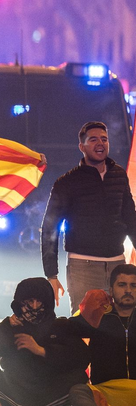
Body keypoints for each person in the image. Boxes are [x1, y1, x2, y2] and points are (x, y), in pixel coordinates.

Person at [0, 278, 89, 406]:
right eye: (30, 302)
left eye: (40, 302)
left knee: (79, 377)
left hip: (49, 395)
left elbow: (82, 357)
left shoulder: (60, 326)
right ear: (21, 303)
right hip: (16, 393)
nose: (35, 307)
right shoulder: (11, 327)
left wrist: (42, 351)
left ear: (47, 303)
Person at [41, 121, 136, 312]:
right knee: (84, 326)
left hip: (117, 263)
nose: (100, 143)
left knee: (118, 326)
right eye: (93, 140)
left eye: (104, 139)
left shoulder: (118, 175)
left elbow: (130, 218)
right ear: (81, 146)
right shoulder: (67, 182)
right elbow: (50, 228)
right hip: (82, 266)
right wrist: (51, 274)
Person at [68, 264, 136, 406]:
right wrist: (87, 313)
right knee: (78, 390)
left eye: (133, 285)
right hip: (106, 393)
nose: (128, 290)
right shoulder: (99, 314)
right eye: (122, 285)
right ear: (111, 290)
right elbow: (68, 329)